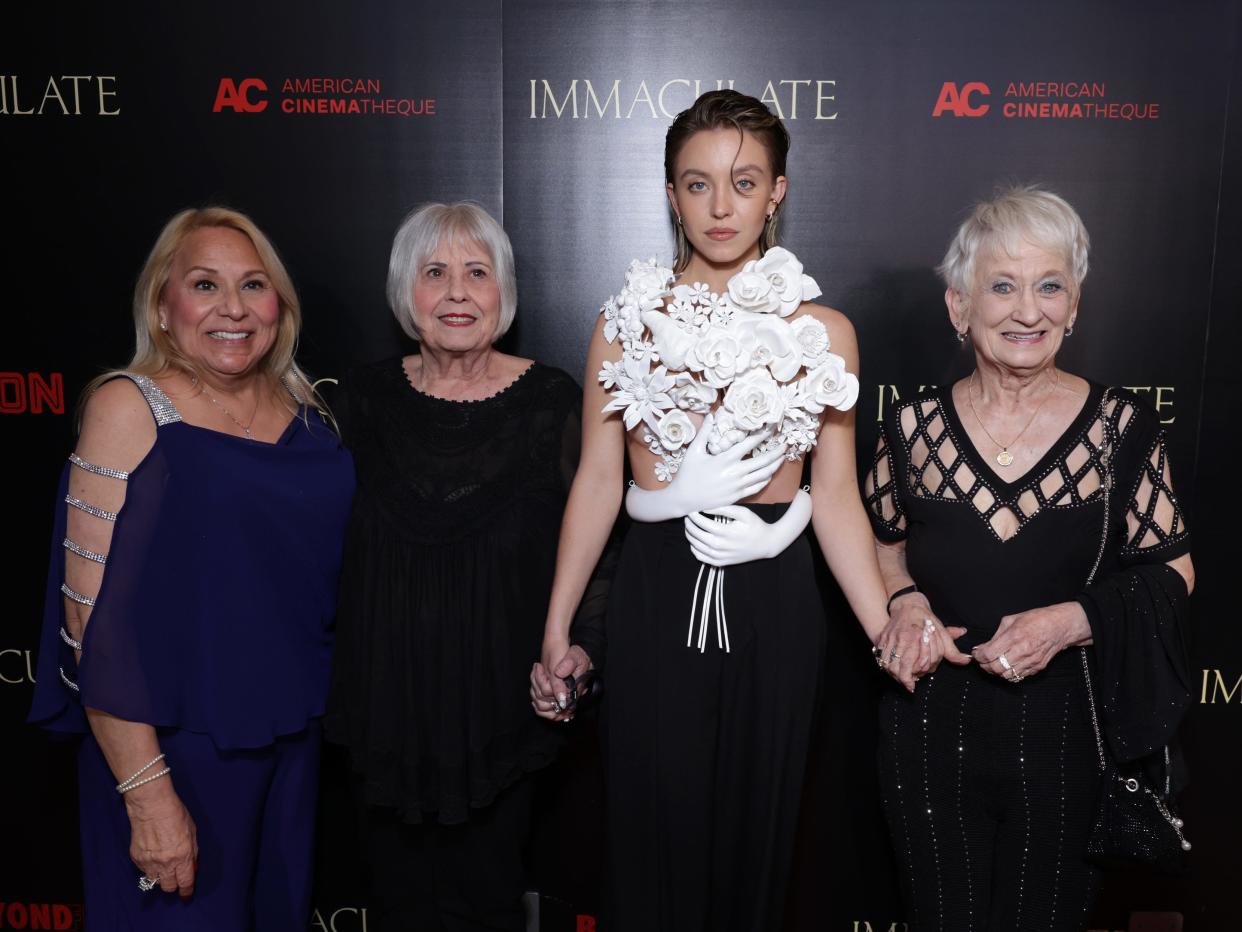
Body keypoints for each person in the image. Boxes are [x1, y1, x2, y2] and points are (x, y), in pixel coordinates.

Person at [534, 89, 894, 931]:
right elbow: (595, 479)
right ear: (670, 195)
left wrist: (885, 630)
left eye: (744, 181)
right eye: (697, 184)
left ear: (777, 191)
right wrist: (557, 630)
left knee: (758, 838)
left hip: (777, 599)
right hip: (657, 593)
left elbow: (834, 494)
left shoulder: (825, 332)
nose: (721, 205)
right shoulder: (623, 324)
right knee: (651, 828)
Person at [863, 185, 1195, 930]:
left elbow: (1175, 574)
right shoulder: (911, 427)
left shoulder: (1124, 430)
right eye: (1002, 286)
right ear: (959, 307)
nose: (1028, 310)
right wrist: (905, 603)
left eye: (1052, 286)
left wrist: (1071, 621)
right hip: (927, 733)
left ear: (1075, 306)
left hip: (1069, 737)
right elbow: (884, 553)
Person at [28, 207, 355, 930]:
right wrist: (147, 795)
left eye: (253, 285)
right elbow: (87, 624)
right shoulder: (127, 406)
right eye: (205, 285)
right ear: (163, 307)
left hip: (290, 747)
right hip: (174, 755)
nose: (233, 308)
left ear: (280, 307)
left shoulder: (305, 411)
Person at [324, 202, 598, 931]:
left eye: (477, 273)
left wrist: (577, 653)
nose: (456, 293)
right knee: (393, 905)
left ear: (503, 295)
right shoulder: (362, 401)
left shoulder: (553, 403)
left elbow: (599, 550)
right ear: (403, 292)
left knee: (490, 904)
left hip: (501, 718)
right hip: (384, 715)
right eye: (434, 272)